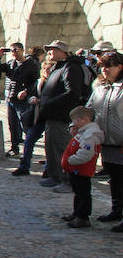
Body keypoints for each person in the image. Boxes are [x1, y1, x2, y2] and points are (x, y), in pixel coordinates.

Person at [33, 40, 84, 190]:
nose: (49, 52)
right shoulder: (58, 67)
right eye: (48, 50)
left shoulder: (71, 68)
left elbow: (72, 92)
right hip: (51, 114)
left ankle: (67, 181)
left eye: (53, 50)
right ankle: (55, 176)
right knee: (51, 148)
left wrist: (50, 103)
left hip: (61, 116)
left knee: (62, 149)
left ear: (63, 52)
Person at [85, 52, 123, 231]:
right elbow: (90, 109)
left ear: (120, 67)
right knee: (114, 179)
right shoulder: (100, 87)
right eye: (102, 66)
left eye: (109, 66)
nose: (105, 70)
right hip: (106, 141)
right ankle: (116, 210)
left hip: (121, 142)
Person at [60, 106, 103, 228]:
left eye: (76, 120)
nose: (74, 123)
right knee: (78, 192)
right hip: (76, 169)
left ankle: (83, 217)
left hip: (82, 168)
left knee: (83, 193)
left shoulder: (90, 135)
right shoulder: (83, 131)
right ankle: (77, 213)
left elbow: (86, 154)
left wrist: (71, 160)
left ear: (86, 119)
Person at [0, 43, 39, 158]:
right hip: (11, 98)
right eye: (12, 51)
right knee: (12, 125)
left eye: (15, 50)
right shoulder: (11, 63)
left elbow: (35, 81)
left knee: (25, 124)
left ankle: (28, 150)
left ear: (21, 50)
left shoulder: (31, 64)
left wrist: (26, 91)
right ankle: (14, 148)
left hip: (22, 100)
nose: (14, 53)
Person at [14, 57, 53, 176]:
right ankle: (24, 166)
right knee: (29, 140)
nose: (46, 71)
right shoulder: (39, 82)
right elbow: (30, 94)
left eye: (49, 69)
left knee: (50, 144)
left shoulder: (56, 83)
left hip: (51, 116)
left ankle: (49, 169)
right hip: (38, 116)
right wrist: (30, 98)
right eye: (44, 68)